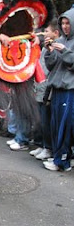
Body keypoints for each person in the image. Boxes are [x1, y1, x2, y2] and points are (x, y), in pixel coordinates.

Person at [43, 9, 74, 171]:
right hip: (56, 89)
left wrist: (64, 51)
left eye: (68, 23)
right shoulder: (61, 39)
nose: (65, 26)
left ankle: (62, 161)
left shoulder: (67, 43)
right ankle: (59, 155)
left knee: (64, 126)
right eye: (63, 23)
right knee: (55, 125)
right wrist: (50, 52)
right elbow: (51, 66)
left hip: (69, 91)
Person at [30, 20, 59, 160]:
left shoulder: (56, 47)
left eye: (47, 31)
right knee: (40, 119)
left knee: (47, 120)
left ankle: (49, 148)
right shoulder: (45, 46)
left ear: (56, 33)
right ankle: (41, 145)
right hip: (40, 86)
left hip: (48, 88)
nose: (44, 33)